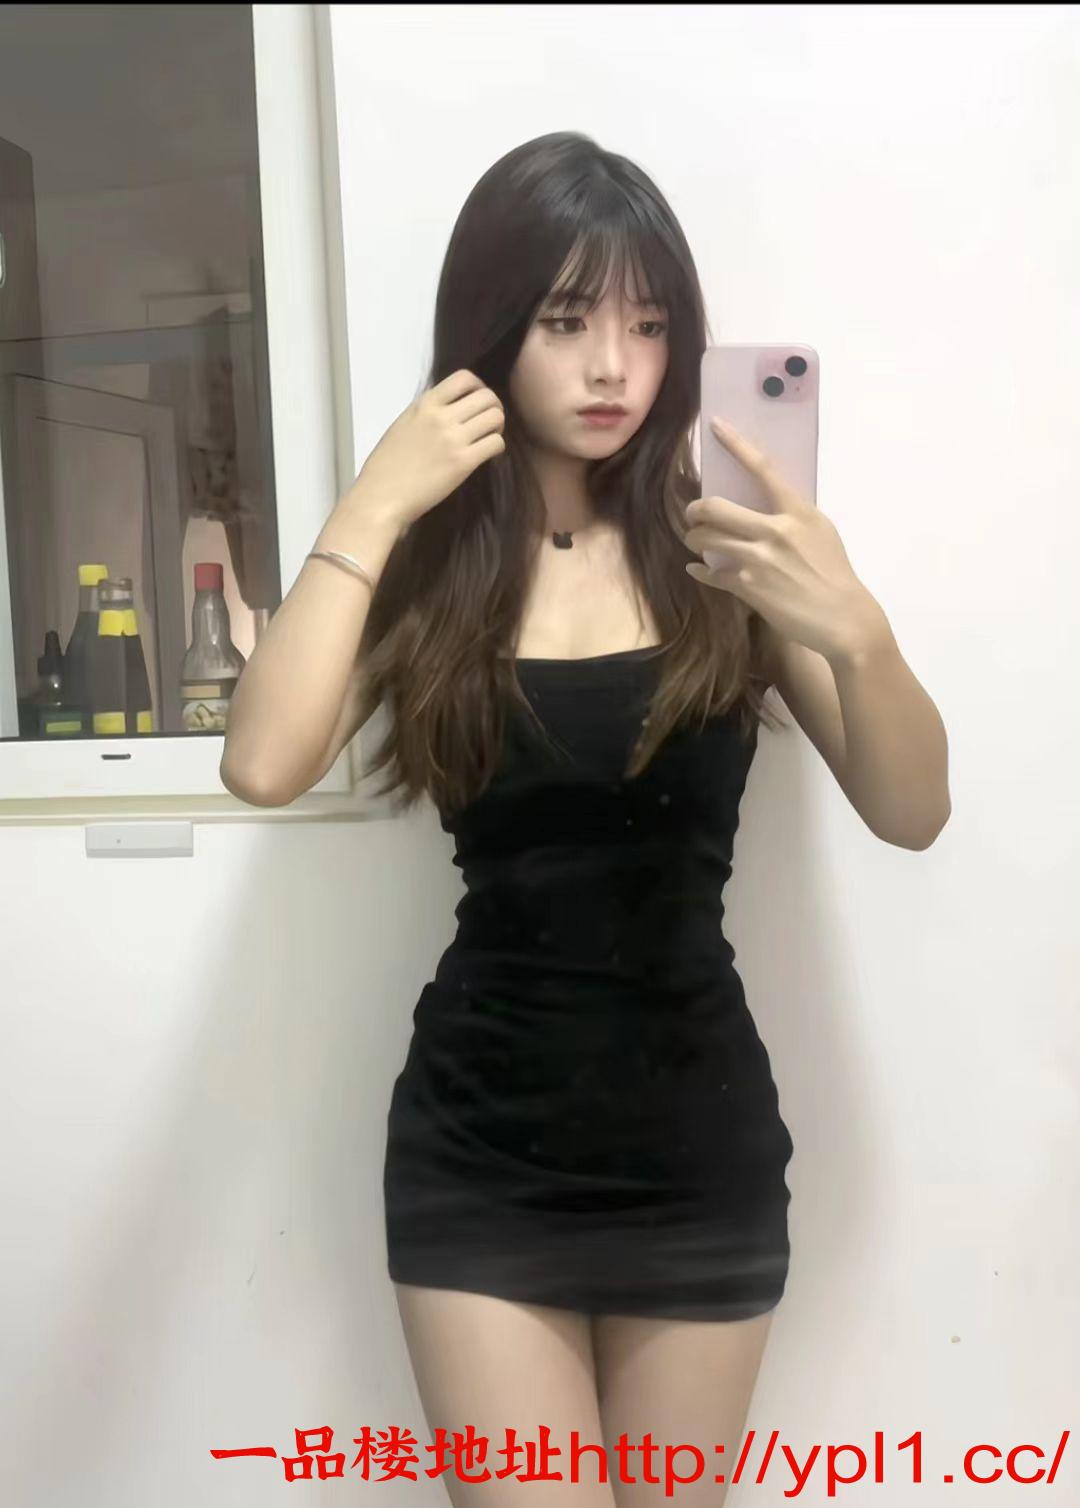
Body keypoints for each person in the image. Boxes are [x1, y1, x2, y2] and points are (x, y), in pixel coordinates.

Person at [221, 133, 951, 1507]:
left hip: (697, 1144)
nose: (614, 366)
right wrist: (377, 498)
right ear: (494, 332)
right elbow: (262, 766)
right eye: (566, 322)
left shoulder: (726, 553)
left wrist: (855, 628)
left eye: (649, 324)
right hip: (481, 1152)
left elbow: (914, 811)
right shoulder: (431, 570)